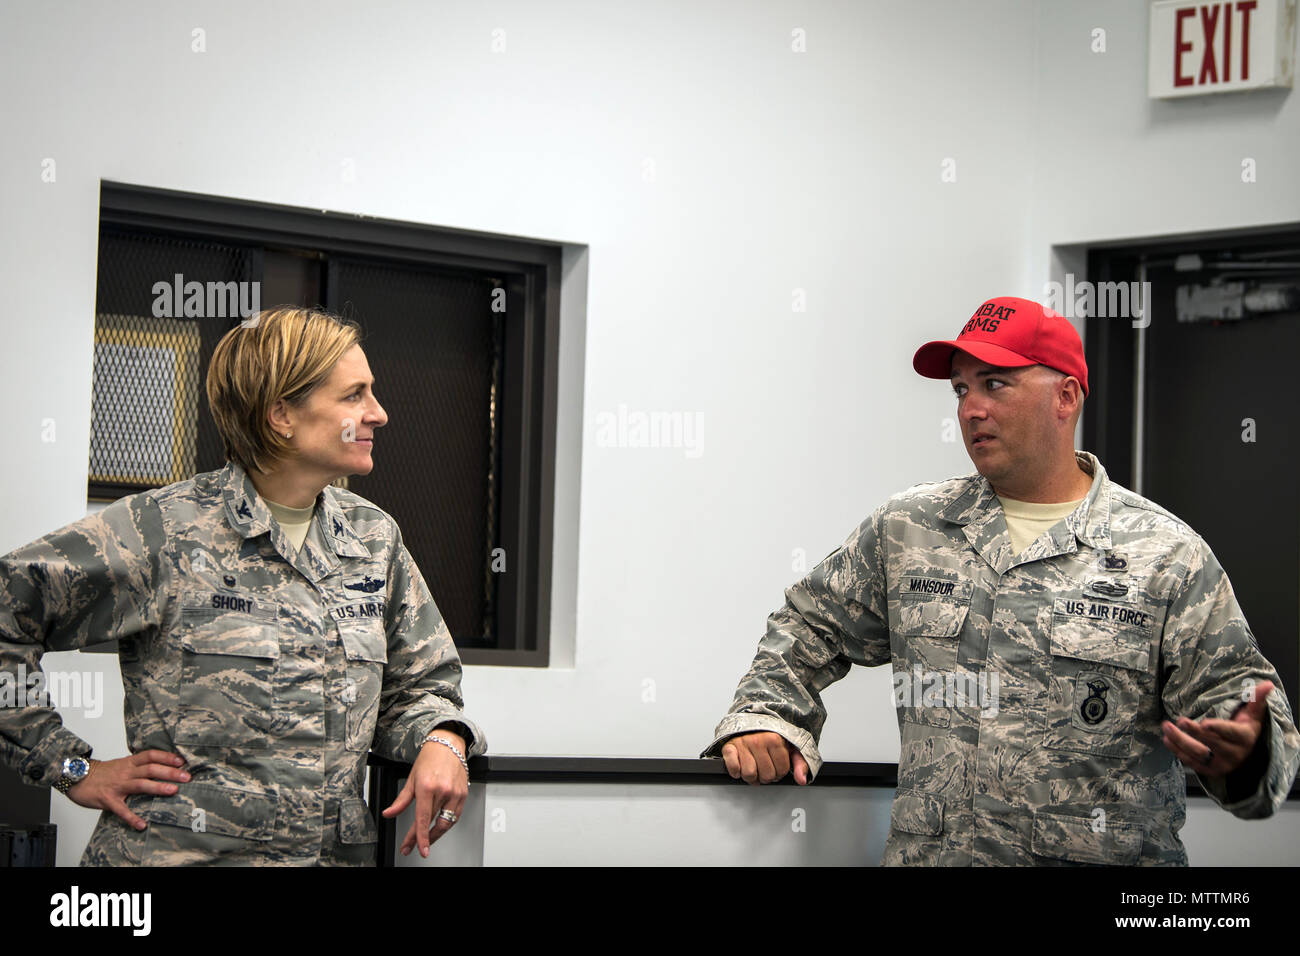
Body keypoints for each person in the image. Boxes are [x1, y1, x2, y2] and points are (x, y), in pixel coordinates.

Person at [701, 295, 1299, 865]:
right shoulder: (911, 528)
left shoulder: (1165, 554)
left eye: (995, 384)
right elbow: (808, 622)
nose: (970, 408)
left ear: (1065, 397)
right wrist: (767, 715)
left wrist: (1246, 756)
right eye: (961, 388)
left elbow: (1243, 708)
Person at [0, 306, 485, 865]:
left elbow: (421, 685)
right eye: (354, 395)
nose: (379, 413)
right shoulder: (163, 531)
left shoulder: (372, 537)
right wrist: (70, 765)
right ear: (282, 413)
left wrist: (445, 738)